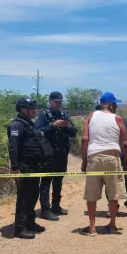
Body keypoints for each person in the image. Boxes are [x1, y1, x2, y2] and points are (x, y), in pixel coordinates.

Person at [81, 92, 127, 236]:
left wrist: (84, 162)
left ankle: (91, 228)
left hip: (94, 158)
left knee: (92, 194)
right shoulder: (118, 119)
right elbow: (125, 144)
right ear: (110, 104)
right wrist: (126, 163)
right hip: (112, 158)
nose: (116, 106)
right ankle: (112, 225)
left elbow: (85, 139)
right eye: (115, 103)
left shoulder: (90, 117)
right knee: (113, 193)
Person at [8, 97, 53, 239]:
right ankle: (20, 228)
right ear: (23, 109)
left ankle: (30, 222)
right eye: (31, 108)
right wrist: (15, 168)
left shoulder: (29, 125)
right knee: (24, 198)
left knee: (33, 196)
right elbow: (13, 147)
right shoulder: (17, 125)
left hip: (35, 167)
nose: (34, 111)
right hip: (25, 168)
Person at [35, 91, 77, 220]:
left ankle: (56, 206)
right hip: (48, 154)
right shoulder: (44, 115)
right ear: (50, 101)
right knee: (46, 182)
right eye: (56, 102)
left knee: (58, 181)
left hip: (61, 154)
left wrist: (68, 126)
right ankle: (45, 210)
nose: (58, 104)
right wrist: (53, 125)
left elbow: (74, 133)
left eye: (60, 102)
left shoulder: (64, 115)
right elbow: (37, 131)